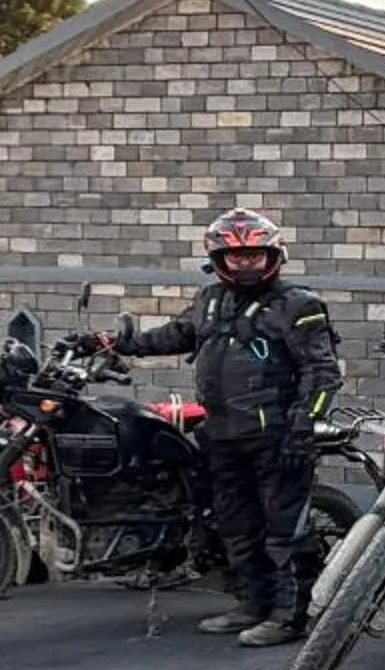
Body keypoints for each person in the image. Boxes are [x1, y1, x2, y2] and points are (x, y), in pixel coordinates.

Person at [108, 207, 341, 647]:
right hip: (221, 434)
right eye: (237, 257)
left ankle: (291, 617)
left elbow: (322, 372)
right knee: (236, 525)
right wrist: (117, 343)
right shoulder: (210, 300)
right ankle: (252, 604)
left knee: (285, 529)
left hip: (277, 437)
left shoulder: (299, 305)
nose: (245, 264)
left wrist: (303, 426)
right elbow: (175, 335)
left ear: (273, 255)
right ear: (219, 259)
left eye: (254, 255)